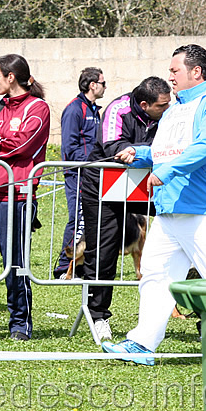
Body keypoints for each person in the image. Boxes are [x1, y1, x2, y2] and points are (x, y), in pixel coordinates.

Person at [103, 44, 206, 365]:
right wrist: (139, 155)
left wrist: (167, 171)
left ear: (196, 72)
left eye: (175, 71)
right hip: (170, 212)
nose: (170, 76)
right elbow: (164, 150)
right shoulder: (173, 110)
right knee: (154, 276)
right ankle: (142, 344)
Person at [79, 77, 171, 340]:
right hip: (104, 185)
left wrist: (139, 151)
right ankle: (98, 315)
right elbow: (111, 145)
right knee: (103, 249)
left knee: (183, 229)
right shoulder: (118, 108)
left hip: (148, 182)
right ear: (144, 104)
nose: (167, 109)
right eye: (161, 106)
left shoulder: (170, 112)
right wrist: (131, 149)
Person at [0, 53, 50, 342]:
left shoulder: (38, 108)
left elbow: (23, 146)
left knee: (15, 262)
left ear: (10, 77)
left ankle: (19, 324)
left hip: (16, 197)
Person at [54, 67, 105, 279]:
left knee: (92, 219)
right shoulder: (75, 109)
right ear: (92, 85)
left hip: (93, 173)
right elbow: (69, 146)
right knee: (77, 220)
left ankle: (82, 265)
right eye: (103, 83)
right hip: (78, 174)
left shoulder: (94, 109)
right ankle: (63, 267)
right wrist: (88, 163)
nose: (105, 87)